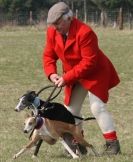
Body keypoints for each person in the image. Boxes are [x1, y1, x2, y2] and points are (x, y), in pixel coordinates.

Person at [42, 2, 121, 155]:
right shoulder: (52, 32)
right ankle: (78, 145)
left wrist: (66, 77)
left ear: (69, 18)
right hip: (73, 75)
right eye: (53, 25)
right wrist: (52, 73)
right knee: (70, 111)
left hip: (95, 73)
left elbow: (89, 62)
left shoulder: (85, 32)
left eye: (58, 24)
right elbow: (48, 55)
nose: (55, 28)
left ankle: (113, 145)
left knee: (97, 107)